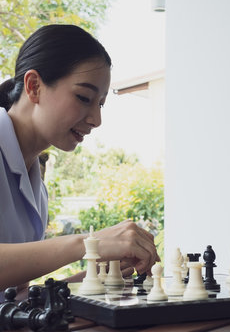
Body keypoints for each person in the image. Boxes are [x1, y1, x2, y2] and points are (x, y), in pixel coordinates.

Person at [0, 24, 159, 292]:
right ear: (34, 86)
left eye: (100, 104)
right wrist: (89, 243)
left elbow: (14, 297)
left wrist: (94, 277)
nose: (96, 120)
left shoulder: (35, 182)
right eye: (83, 97)